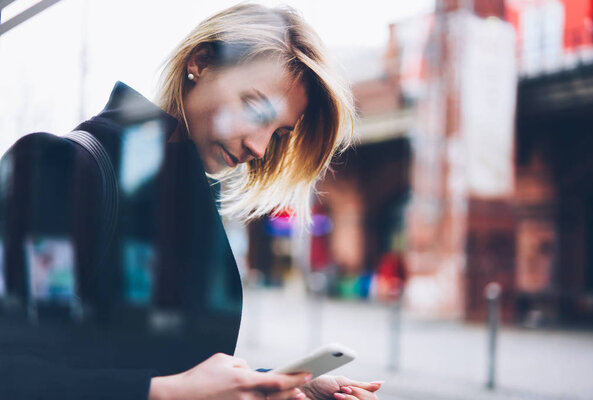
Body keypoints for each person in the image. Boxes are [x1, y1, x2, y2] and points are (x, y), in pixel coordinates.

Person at [0, 3, 382, 400]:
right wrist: (168, 393)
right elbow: (11, 372)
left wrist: (278, 384)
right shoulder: (60, 169)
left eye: (279, 132)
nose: (259, 146)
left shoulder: (191, 204)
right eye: (254, 107)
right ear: (199, 62)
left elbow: (170, 364)